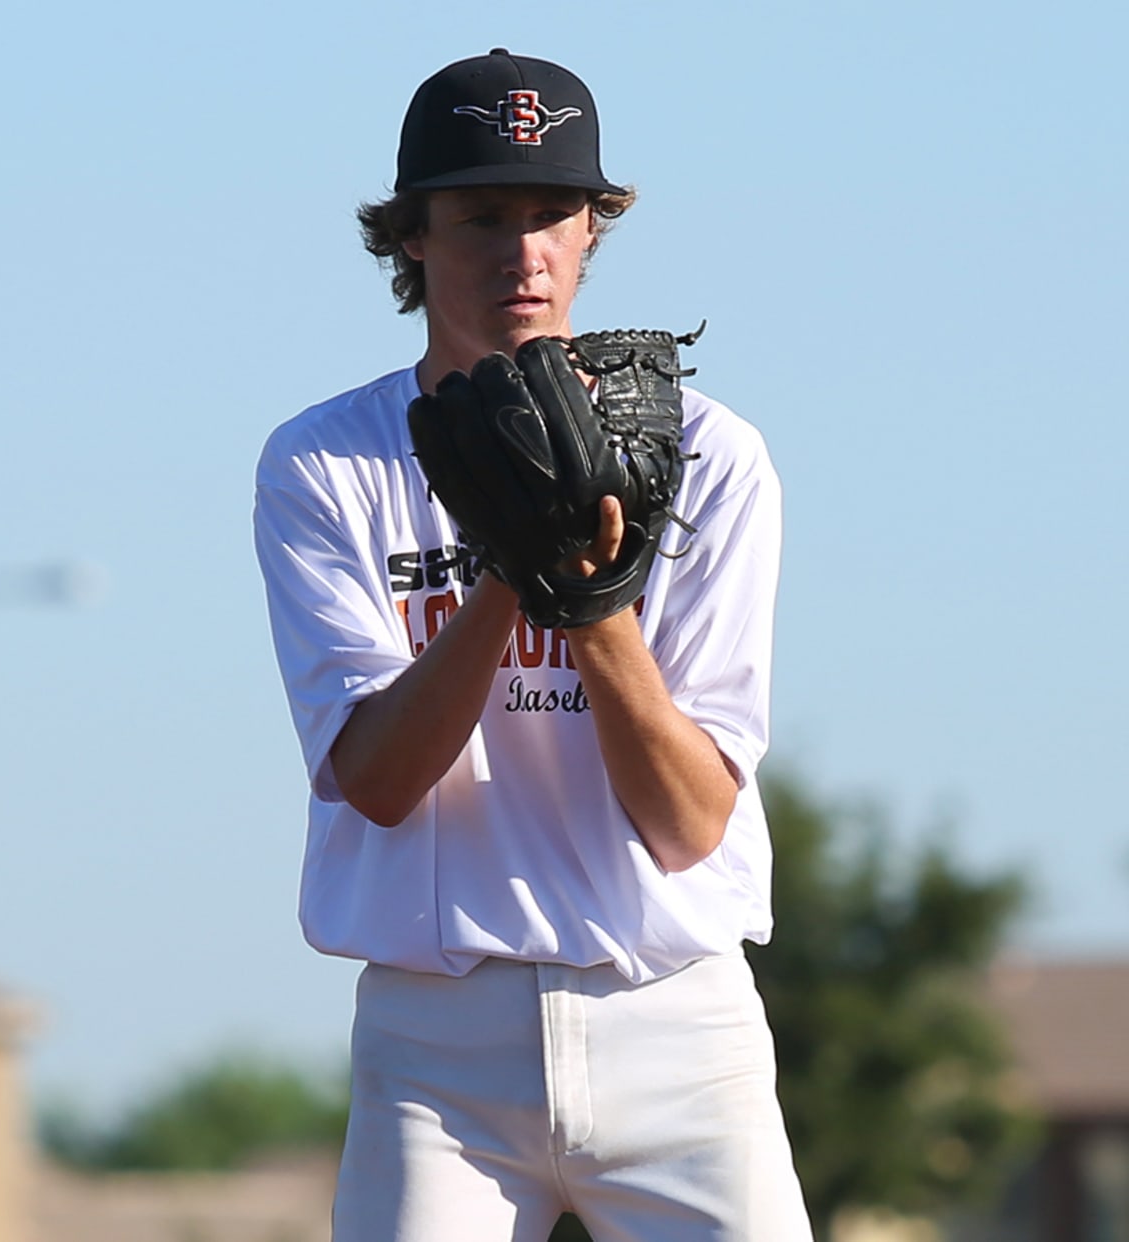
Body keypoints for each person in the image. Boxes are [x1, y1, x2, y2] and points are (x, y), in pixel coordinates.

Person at [253, 48, 811, 1242]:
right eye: (481, 216)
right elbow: (383, 783)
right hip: (437, 1045)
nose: (524, 251)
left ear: (597, 227)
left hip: (675, 1022)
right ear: (410, 234)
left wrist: (588, 593)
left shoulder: (711, 456)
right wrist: (511, 574)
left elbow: (687, 822)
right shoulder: (325, 462)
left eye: (555, 212)